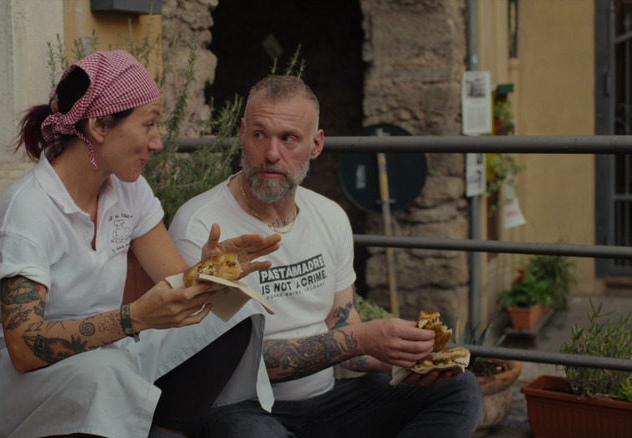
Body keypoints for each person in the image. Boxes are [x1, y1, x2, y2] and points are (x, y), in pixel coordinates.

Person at [0, 50, 281, 438]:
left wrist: (214, 270)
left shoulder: (128, 190)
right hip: (14, 387)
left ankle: (168, 430)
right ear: (98, 125)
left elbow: (178, 282)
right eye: (148, 125)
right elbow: (24, 347)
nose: (158, 141)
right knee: (105, 373)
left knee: (230, 316)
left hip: (106, 355)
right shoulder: (27, 212)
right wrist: (134, 319)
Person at [168, 75, 484, 438]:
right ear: (242, 133)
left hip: (330, 403)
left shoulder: (330, 215)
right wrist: (360, 339)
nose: (271, 153)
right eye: (259, 135)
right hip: (246, 409)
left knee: (461, 391)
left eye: (288, 138)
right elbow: (226, 365)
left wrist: (394, 360)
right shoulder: (201, 225)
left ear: (316, 144)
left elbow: (342, 326)